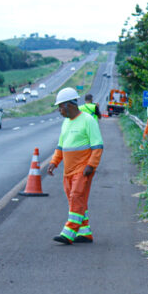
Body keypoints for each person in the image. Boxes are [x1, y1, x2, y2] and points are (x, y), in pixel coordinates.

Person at [47, 87, 103, 245]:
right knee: (76, 201)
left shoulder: (88, 121)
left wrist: (91, 165)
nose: (59, 110)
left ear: (69, 105)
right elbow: (60, 147)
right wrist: (53, 163)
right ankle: (85, 233)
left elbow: (98, 146)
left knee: (76, 197)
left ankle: (69, 232)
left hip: (83, 169)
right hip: (68, 171)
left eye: (60, 107)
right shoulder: (65, 123)